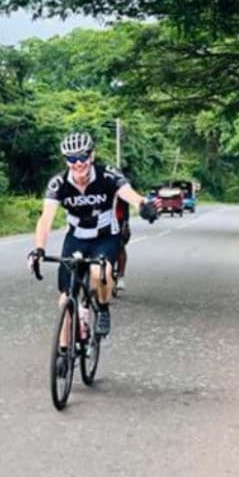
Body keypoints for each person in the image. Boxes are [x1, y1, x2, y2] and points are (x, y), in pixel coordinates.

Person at [28, 132, 157, 347]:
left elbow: (132, 196)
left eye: (83, 157)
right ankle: (63, 351)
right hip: (76, 237)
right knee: (64, 299)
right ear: (66, 161)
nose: (78, 163)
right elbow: (45, 219)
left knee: (100, 272)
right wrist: (38, 249)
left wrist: (144, 206)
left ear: (92, 156)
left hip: (105, 236)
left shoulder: (107, 175)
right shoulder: (58, 183)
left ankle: (103, 308)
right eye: (72, 159)